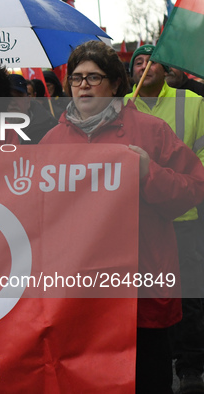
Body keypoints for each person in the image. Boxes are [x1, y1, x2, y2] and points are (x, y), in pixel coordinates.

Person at [40, 40, 204, 394]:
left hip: (141, 290)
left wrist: (149, 172)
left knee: (147, 380)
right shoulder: (53, 140)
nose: (83, 85)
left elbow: (193, 188)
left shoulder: (151, 131)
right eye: (77, 78)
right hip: (81, 294)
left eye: (93, 77)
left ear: (115, 84)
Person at [125, 44, 204, 393]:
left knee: (187, 295)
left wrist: (183, 187)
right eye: (138, 62)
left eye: (152, 60)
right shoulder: (119, 106)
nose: (146, 66)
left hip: (183, 216)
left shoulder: (194, 102)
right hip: (134, 224)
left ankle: (189, 366)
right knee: (145, 300)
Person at [7, 74, 57, 144]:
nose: (13, 102)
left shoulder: (49, 128)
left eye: (18, 96)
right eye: (8, 97)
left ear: (28, 100)